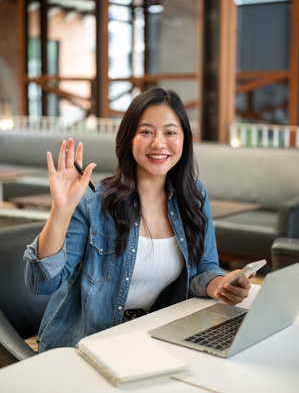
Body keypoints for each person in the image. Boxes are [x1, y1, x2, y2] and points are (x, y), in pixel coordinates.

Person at [24, 88, 252, 353]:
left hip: (156, 337)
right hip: (89, 344)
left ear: (184, 140)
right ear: (128, 139)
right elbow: (41, 283)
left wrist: (221, 285)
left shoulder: (194, 196)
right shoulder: (93, 203)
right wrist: (61, 209)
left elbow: (204, 267)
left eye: (170, 132)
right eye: (146, 132)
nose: (158, 143)